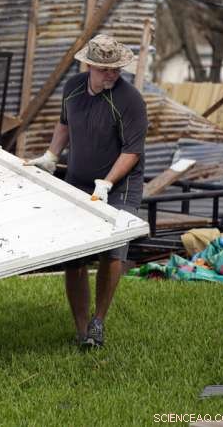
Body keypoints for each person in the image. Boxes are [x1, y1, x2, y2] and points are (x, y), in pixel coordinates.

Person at [27, 34, 147, 348]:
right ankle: (82, 331)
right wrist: (52, 156)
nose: (113, 74)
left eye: (117, 68)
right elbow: (65, 124)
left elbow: (132, 151)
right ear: (89, 66)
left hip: (120, 187)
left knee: (112, 252)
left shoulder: (130, 100)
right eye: (105, 69)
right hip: (79, 182)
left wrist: (107, 183)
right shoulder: (72, 88)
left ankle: (98, 322)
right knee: (75, 257)